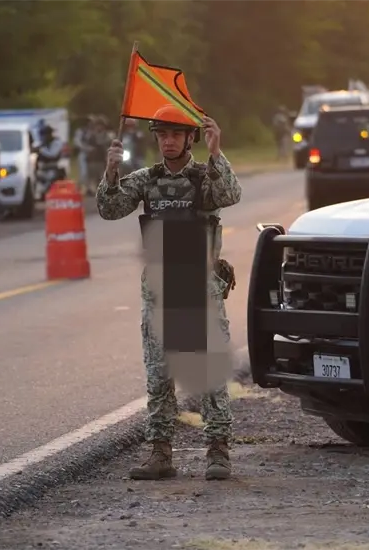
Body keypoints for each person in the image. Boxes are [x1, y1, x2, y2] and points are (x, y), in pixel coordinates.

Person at [96, 105, 241, 481]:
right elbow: (110, 209)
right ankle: (161, 454)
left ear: (190, 137)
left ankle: (218, 452)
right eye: (161, 135)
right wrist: (111, 170)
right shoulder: (146, 179)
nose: (168, 141)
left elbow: (230, 194)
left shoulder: (202, 177)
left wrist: (216, 151)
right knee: (159, 374)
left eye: (176, 134)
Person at [85, 116, 114, 196]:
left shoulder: (108, 136)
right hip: (93, 160)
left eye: (101, 125)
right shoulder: (91, 136)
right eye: (97, 125)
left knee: (102, 176)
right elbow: (87, 146)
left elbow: (109, 146)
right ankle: (92, 190)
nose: (99, 127)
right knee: (92, 177)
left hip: (102, 160)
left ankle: (102, 190)